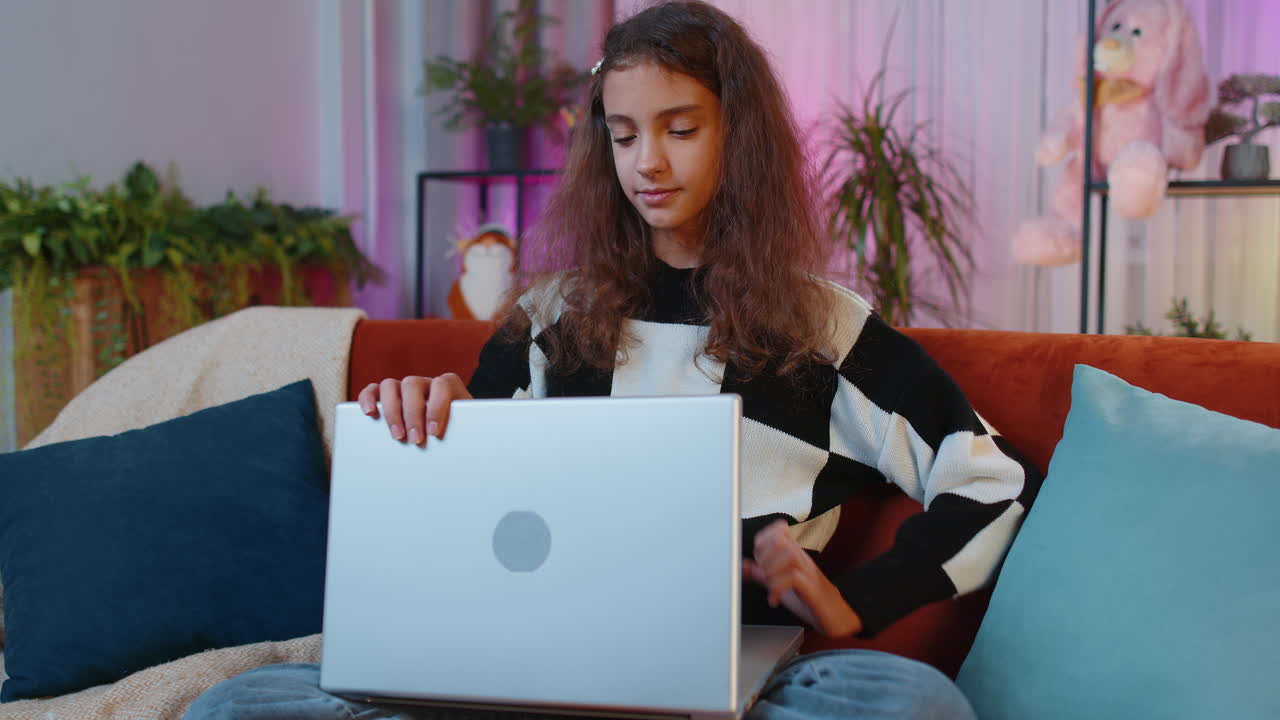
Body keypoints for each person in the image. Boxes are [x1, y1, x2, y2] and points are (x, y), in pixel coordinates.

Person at [186, 2, 1041, 718]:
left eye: (680, 129)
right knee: (235, 705)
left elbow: (989, 479)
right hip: (535, 661)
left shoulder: (824, 327)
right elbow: (465, 501)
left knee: (909, 703)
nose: (648, 164)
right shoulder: (551, 315)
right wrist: (430, 417)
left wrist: (863, 597)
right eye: (624, 135)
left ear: (737, 138)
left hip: (734, 678)